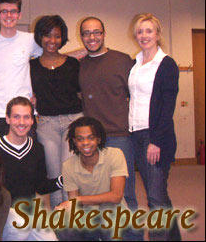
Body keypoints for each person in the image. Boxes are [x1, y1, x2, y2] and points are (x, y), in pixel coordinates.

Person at [78, 16, 142, 241]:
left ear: (104, 34)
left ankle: (133, 237)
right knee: (96, 195)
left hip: (120, 138)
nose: (92, 37)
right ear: (81, 37)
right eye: (86, 33)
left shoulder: (123, 60)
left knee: (125, 196)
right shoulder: (81, 64)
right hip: (90, 142)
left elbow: (138, 95)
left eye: (96, 32)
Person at [129, 13, 181, 241]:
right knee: (158, 196)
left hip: (155, 137)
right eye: (140, 31)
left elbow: (167, 108)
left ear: (158, 34)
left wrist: (155, 141)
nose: (144, 36)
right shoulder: (136, 63)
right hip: (136, 135)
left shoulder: (166, 64)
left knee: (156, 200)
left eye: (148, 31)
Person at [0, 97, 63, 241]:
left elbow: (41, 186)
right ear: (7, 119)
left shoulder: (37, 148)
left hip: (29, 213)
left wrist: (63, 180)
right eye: (16, 117)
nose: (22, 122)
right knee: (20, 225)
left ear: (32, 120)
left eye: (26, 117)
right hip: (1, 214)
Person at [30, 15, 83, 208]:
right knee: (53, 175)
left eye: (57, 36)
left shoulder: (73, 64)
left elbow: (82, 93)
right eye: (47, 35)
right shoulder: (32, 66)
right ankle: (58, 226)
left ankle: (71, 222)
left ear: (63, 38)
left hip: (73, 122)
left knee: (68, 173)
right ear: (40, 37)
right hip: (46, 125)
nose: (52, 40)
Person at [0, 0, 43, 143]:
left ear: (19, 15)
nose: (9, 15)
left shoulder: (31, 40)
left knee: (26, 163)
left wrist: (85, 51)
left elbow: (52, 59)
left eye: (13, 11)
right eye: (4, 11)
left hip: (24, 115)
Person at [56, 116, 128, 241]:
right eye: (80, 139)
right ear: (74, 141)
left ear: (98, 139)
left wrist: (79, 199)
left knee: (108, 209)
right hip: (87, 217)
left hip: (115, 213)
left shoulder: (115, 154)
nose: (85, 143)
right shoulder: (68, 165)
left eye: (91, 138)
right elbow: (73, 201)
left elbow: (116, 196)